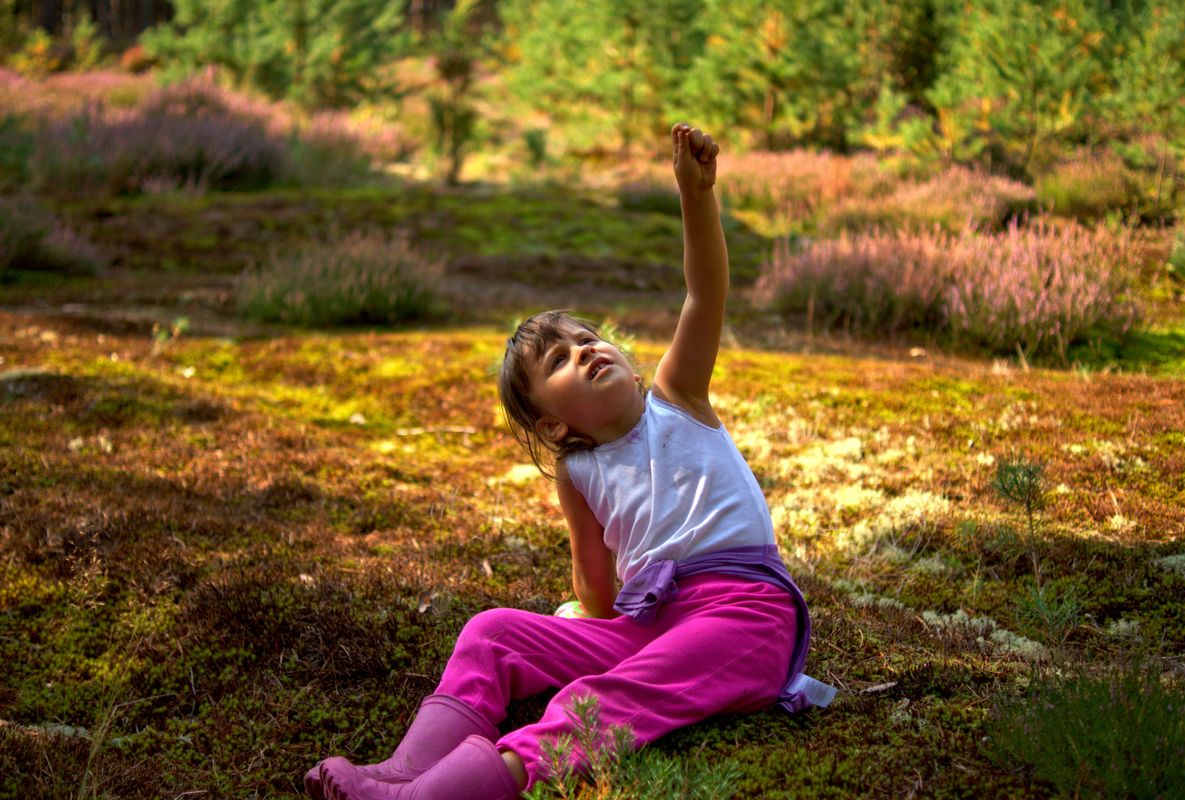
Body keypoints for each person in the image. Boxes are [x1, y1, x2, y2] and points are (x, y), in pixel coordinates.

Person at [305, 123, 835, 800]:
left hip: (743, 615)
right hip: (648, 626)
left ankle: (443, 793)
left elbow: (704, 296)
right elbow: (599, 591)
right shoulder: (578, 474)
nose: (587, 349)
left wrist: (695, 195)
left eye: (588, 339)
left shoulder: (677, 400)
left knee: (597, 698)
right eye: (560, 358)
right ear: (553, 423)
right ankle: (405, 769)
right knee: (491, 632)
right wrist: (581, 615)